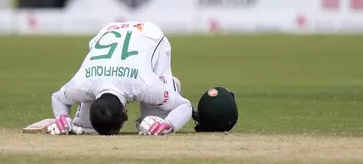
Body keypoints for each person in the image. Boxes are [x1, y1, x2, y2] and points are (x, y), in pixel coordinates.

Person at [47, 21, 238, 135]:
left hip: (150, 36)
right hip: (106, 32)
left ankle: (170, 86)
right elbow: (58, 97)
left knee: (152, 118)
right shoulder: (82, 84)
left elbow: (184, 106)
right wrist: (62, 117)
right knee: (87, 126)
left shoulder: (144, 85)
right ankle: (85, 116)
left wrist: (167, 124)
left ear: (125, 112)